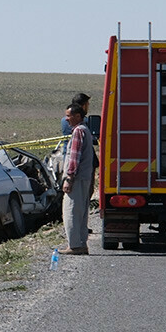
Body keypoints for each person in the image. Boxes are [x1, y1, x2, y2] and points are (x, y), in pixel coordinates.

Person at [60, 103, 95, 255]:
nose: (66, 119)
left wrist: (69, 178)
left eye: (69, 116)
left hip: (77, 179)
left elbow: (74, 157)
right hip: (84, 178)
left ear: (78, 116)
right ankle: (81, 243)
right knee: (81, 212)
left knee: (71, 211)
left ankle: (74, 245)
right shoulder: (85, 130)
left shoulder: (78, 132)